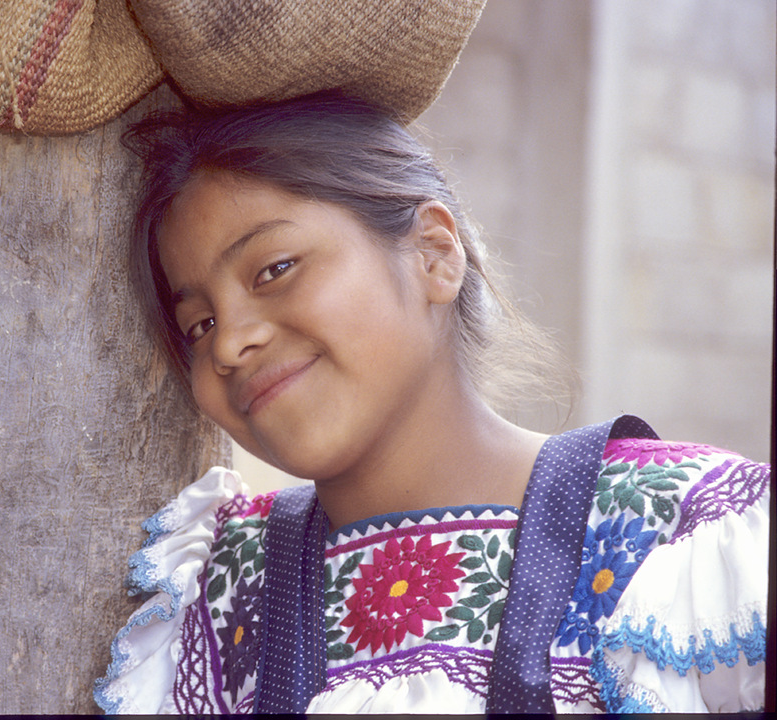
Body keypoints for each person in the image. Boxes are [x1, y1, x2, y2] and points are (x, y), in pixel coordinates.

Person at [92, 92, 770, 714]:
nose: (231, 342)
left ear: (435, 255)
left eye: (275, 269)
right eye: (198, 325)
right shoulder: (214, 592)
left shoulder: (683, 531)